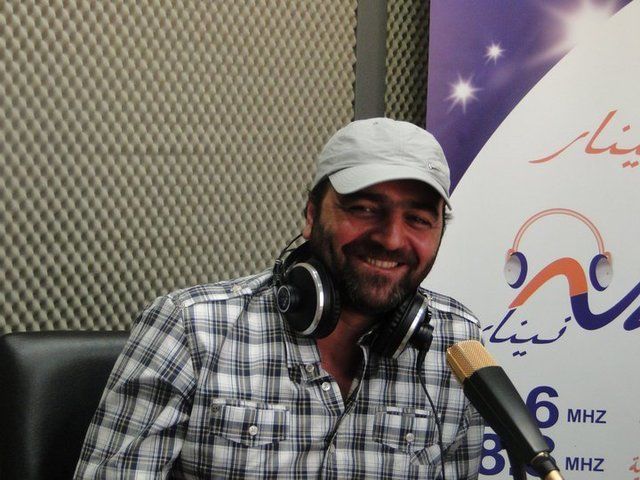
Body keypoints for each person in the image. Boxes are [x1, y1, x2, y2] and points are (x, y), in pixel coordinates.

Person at [74, 118, 484, 479]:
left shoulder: (458, 344)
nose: (392, 239)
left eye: (418, 219)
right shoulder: (189, 328)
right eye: (363, 208)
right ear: (311, 214)